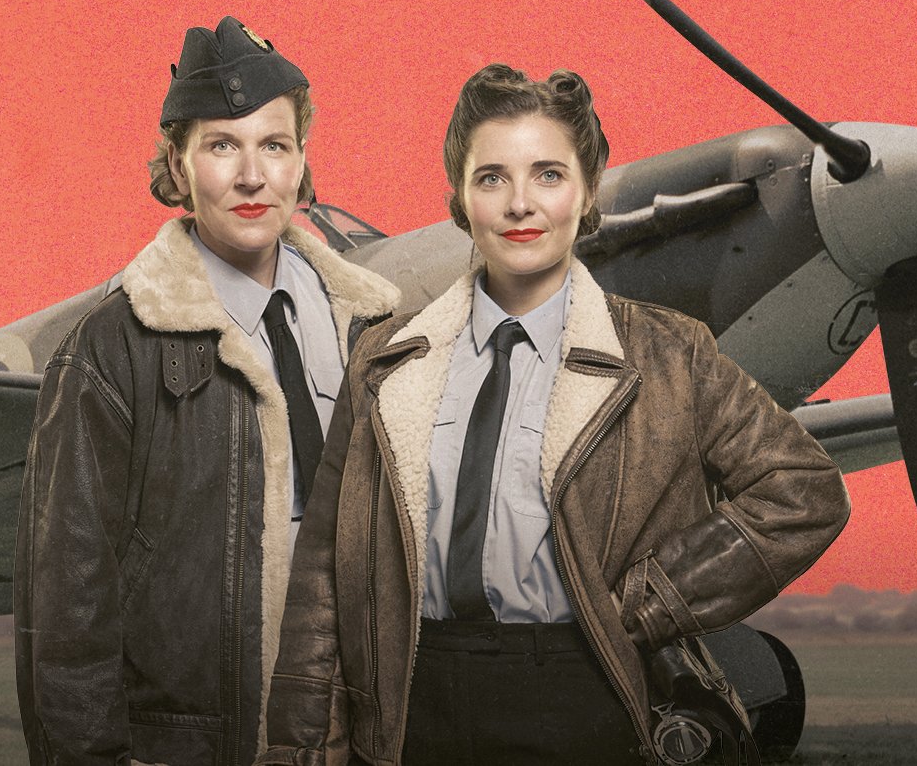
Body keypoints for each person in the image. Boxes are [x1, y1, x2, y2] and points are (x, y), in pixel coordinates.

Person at [258, 64, 849, 765]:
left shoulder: (672, 353)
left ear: (587, 192)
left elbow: (802, 493)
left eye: (548, 175)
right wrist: (301, 749)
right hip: (413, 709)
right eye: (491, 178)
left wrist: (653, 603)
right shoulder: (383, 362)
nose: (519, 204)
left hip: (591, 700)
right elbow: (324, 576)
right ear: (460, 199)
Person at [14, 16, 399, 766]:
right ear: (178, 163)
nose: (252, 176)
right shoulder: (110, 348)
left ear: (302, 160)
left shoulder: (371, 326)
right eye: (222, 146)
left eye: (274, 145)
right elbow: (67, 610)